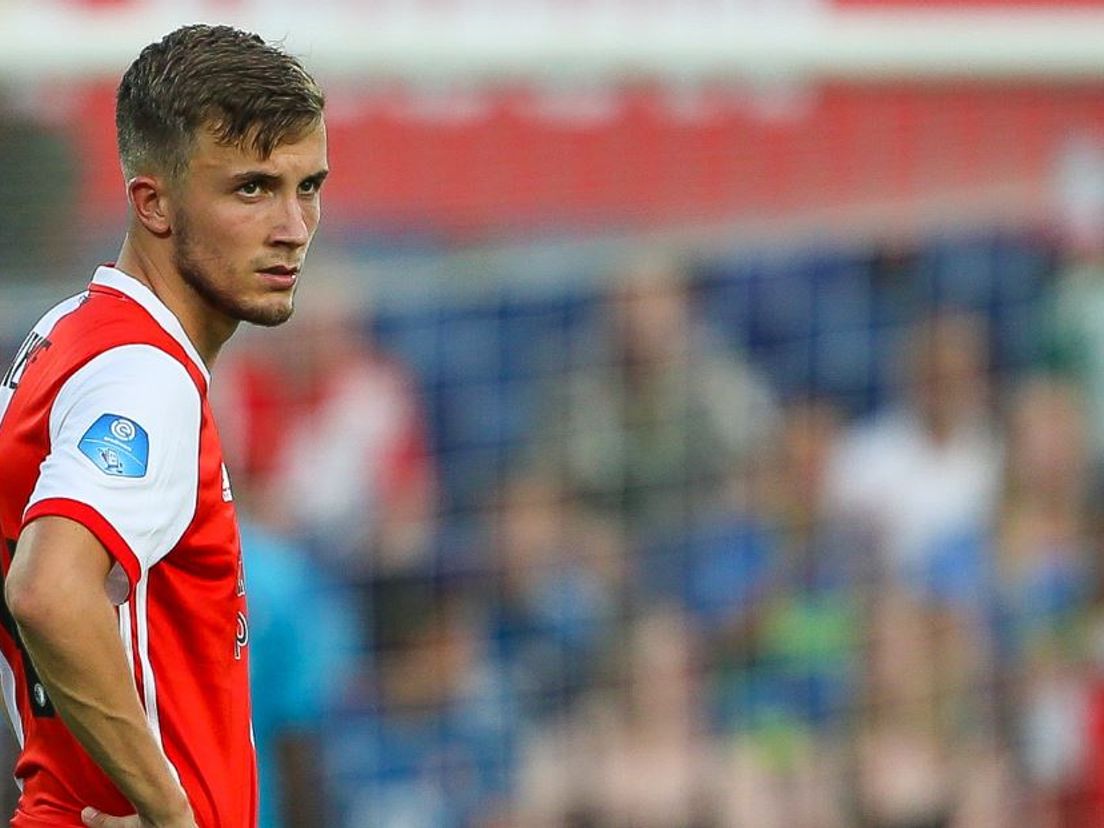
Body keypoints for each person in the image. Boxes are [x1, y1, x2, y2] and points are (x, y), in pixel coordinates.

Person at [0, 24, 327, 828]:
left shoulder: (70, 336)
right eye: (251, 189)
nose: (292, 226)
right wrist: (169, 812)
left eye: (307, 185)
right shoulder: (144, 377)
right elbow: (46, 589)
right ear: (153, 201)